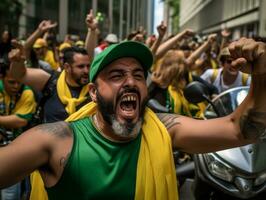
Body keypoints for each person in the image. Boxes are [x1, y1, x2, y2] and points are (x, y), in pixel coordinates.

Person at [1, 38, 266, 200]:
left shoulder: (164, 128)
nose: (130, 82)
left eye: (138, 75)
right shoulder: (57, 140)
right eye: (116, 76)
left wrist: (262, 75)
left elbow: (241, 131)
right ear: (93, 92)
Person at [0, 57, 36, 200]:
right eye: (11, 82)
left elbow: (20, 121)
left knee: (10, 194)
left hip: (16, 148)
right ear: (1, 77)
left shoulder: (27, 92)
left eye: (19, 82)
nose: (16, 86)